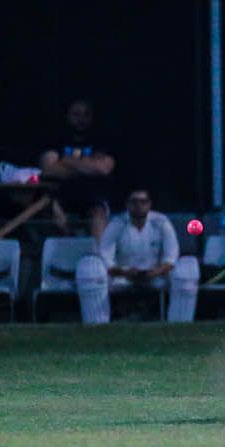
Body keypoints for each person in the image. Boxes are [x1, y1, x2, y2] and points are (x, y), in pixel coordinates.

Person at [75, 188, 198, 324]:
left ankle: (179, 326)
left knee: (187, 269)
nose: (139, 205)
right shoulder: (117, 223)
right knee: (91, 269)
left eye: (143, 202)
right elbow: (105, 257)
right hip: (122, 277)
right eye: (134, 202)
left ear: (149, 204)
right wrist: (125, 272)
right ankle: (97, 327)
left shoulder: (161, 222)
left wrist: (154, 272)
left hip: (155, 276)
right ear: (127, 204)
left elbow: (171, 258)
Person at [39, 99, 116, 241]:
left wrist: (66, 161)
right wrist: (88, 166)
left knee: (98, 214)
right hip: (61, 196)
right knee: (49, 210)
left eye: (86, 114)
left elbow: (103, 168)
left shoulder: (100, 140)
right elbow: (49, 169)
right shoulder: (56, 140)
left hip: (93, 197)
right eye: (76, 114)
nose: (81, 119)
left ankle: (98, 255)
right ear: (67, 117)